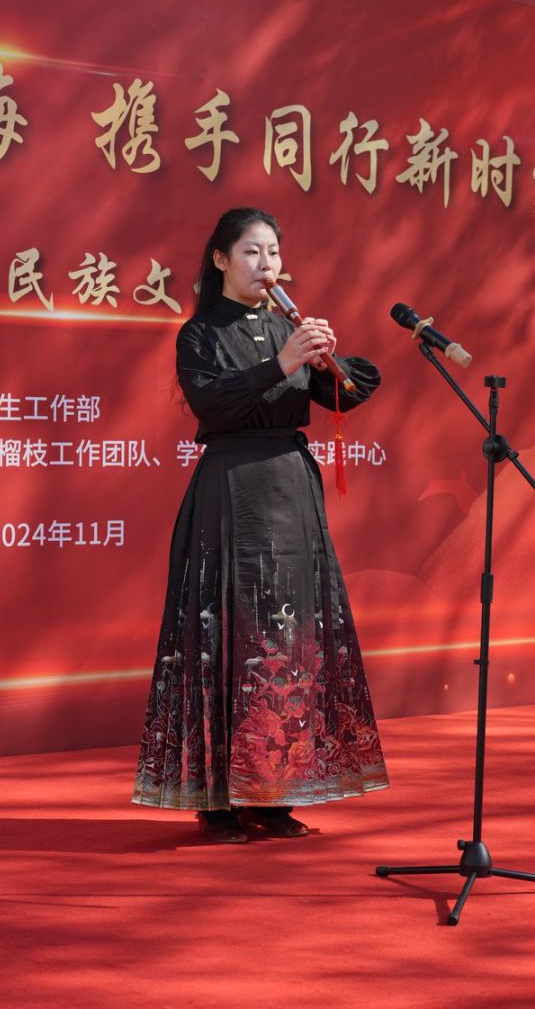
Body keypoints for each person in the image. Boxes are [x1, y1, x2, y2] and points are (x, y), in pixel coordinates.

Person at [132, 207, 389, 843]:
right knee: (228, 634)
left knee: (288, 639)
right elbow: (213, 402)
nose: (265, 264)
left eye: (273, 252)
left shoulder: (285, 326)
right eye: (251, 251)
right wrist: (282, 362)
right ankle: (218, 801)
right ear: (220, 259)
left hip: (291, 488)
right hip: (231, 491)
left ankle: (275, 795)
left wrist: (328, 362)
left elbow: (345, 394)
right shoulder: (199, 334)